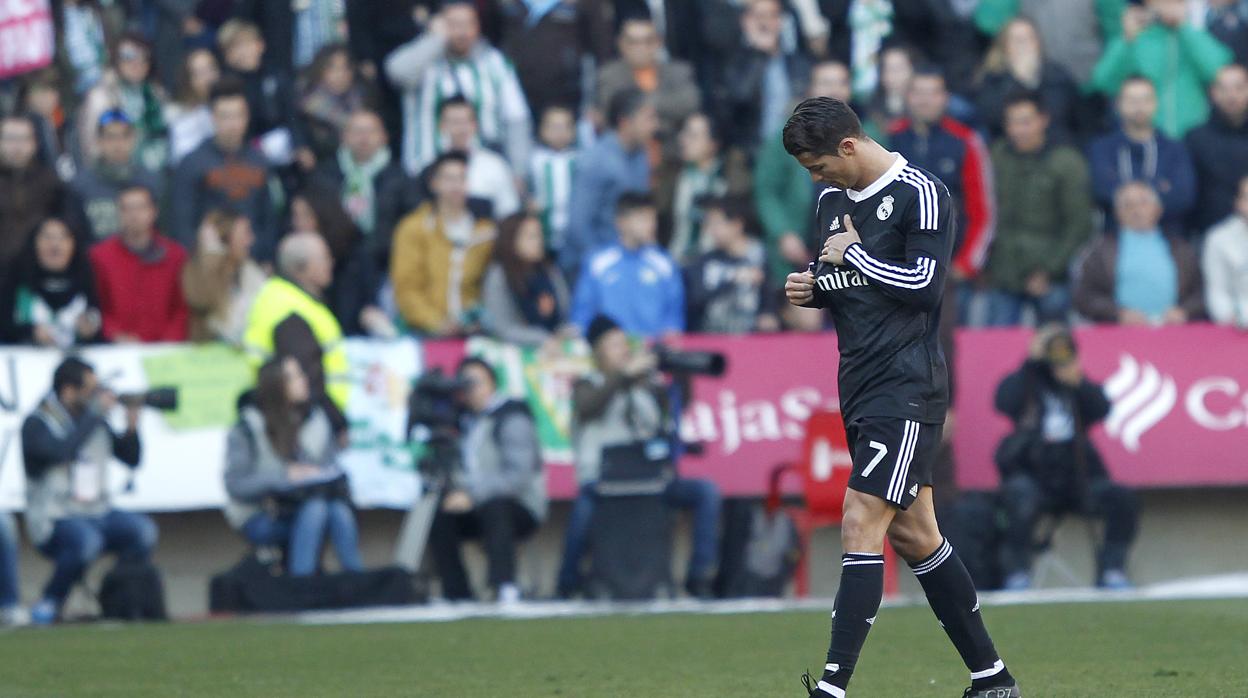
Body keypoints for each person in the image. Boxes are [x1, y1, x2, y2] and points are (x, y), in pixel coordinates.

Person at [782, 97, 1019, 697]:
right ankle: (993, 679)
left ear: (848, 146)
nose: (817, 178)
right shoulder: (831, 201)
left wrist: (854, 256)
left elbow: (924, 285)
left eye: (818, 166)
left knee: (860, 515)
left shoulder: (923, 192)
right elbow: (847, 282)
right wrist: (814, 288)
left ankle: (832, 687)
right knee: (917, 535)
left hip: (907, 384)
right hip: (858, 383)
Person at [556, 315, 721, 599]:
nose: (622, 350)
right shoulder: (587, 384)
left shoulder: (645, 386)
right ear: (597, 351)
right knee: (583, 510)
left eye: (624, 344)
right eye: (613, 345)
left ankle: (699, 576)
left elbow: (679, 404)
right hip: (603, 478)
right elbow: (588, 406)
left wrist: (679, 369)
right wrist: (624, 375)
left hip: (649, 477)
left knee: (706, 491)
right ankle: (567, 582)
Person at [993, 325, 1139, 590]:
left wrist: (1078, 380)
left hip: (1077, 475)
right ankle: (1017, 572)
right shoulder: (1028, 382)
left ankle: (1112, 570)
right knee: (1018, 495)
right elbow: (1003, 402)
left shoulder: (1072, 382)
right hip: (1034, 475)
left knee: (1121, 498)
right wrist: (1030, 361)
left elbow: (1102, 408)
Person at [21, 357, 159, 624]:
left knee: (143, 532)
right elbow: (61, 452)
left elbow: (130, 458)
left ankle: (118, 596)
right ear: (68, 391)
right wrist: (94, 415)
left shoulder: (94, 421)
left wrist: (131, 426)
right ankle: (50, 600)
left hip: (98, 511)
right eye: (90, 390)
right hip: (55, 517)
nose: (97, 396)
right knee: (86, 541)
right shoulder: (39, 423)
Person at [224, 357, 362, 578]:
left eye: (301, 374)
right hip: (263, 513)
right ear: (276, 385)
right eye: (294, 377)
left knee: (337, 510)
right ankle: (302, 583)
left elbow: (328, 465)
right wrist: (284, 477)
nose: (303, 380)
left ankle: (357, 579)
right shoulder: (249, 427)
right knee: (316, 509)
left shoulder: (316, 418)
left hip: (308, 503)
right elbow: (236, 485)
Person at [428, 357, 548, 602]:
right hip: (476, 504)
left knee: (496, 508)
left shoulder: (511, 416)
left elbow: (517, 477)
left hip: (520, 505)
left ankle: (504, 585)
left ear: (492, 383)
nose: (471, 390)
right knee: (440, 515)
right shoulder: (464, 420)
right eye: (465, 384)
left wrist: (472, 496)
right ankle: (456, 592)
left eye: (477, 383)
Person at [385, 0, 532, 175]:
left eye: (468, 24)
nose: (462, 32)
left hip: (482, 175)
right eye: (454, 24)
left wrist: (519, 169)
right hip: (425, 170)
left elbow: (516, 118)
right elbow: (396, 73)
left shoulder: (495, 63)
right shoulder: (423, 61)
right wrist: (436, 39)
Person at [985, 92, 1095, 327]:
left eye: (1026, 122)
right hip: (1003, 272)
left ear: (1043, 120)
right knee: (996, 343)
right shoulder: (996, 156)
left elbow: (1079, 223)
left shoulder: (1067, 162)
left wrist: (1049, 270)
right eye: (1013, 123)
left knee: (1055, 343)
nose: (1019, 130)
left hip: (1051, 275)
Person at [889, 67, 995, 284]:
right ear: (908, 96)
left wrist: (966, 264)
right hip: (897, 266)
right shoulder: (890, 138)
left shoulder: (965, 141)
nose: (925, 101)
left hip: (951, 268)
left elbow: (982, 211)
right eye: (919, 93)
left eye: (933, 93)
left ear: (945, 98)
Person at [755, 61, 852, 286]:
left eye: (841, 83)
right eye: (826, 83)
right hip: (798, 244)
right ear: (810, 89)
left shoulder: (865, 133)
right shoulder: (787, 134)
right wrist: (783, 233)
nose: (834, 90)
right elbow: (766, 189)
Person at [1089, 0, 1232, 139]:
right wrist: (1126, 39)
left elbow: (1220, 71)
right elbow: (1104, 82)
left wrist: (1183, 26)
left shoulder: (1192, 30)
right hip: (1146, 137)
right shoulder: (1136, 36)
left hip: (1192, 137)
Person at [171, 79, 278, 263]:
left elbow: (269, 218)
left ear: (247, 117)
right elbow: (182, 222)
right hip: (209, 262)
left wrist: (266, 258)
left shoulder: (260, 161)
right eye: (225, 116)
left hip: (253, 261)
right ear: (213, 118)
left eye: (238, 115)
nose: (233, 124)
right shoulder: (192, 163)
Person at [391, 152, 497, 337]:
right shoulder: (414, 228)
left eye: (462, 178)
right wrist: (437, 323)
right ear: (434, 184)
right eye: (449, 179)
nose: (456, 186)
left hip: (474, 331)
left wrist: (478, 318)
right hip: (425, 331)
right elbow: (407, 289)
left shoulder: (485, 232)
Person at [243, 232, 350, 411]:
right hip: (303, 419)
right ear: (302, 268)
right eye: (324, 258)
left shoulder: (286, 297)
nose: (331, 263)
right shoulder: (289, 310)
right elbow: (305, 383)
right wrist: (330, 419)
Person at [1073, 182, 1205, 325]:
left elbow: (1200, 293)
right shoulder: (1099, 251)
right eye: (1128, 205)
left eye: (1143, 203)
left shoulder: (1181, 249)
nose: (1136, 210)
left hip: (1174, 329)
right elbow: (1084, 297)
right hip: (1118, 330)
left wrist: (1184, 311)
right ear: (1117, 213)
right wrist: (1118, 314)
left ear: (1158, 209)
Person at [561, 89, 658, 276]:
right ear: (625, 122)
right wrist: (604, 266)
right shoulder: (595, 161)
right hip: (589, 266)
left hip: (629, 262)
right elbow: (578, 224)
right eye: (648, 119)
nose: (655, 126)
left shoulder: (642, 156)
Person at [308, 109, 417, 272]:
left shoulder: (399, 176)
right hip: (335, 262)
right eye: (357, 132)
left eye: (370, 132)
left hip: (386, 261)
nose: (364, 138)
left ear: (384, 137)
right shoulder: (325, 174)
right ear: (344, 137)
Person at [1088, 76, 1196, 232]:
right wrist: (1157, 189)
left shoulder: (1175, 149)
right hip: (1115, 236)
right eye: (1132, 100)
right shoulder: (1101, 148)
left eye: (1146, 100)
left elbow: (1183, 195)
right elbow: (1100, 188)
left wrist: (1130, 197)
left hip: (1167, 235)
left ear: (1156, 103)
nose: (1139, 106)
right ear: (1118, 104)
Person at [571, 192, 684, 340]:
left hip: (652, 350)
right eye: (644, 219)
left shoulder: (664, 263)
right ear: (621, 222)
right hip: (609, 350)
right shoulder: (597, 262)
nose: (652, 225)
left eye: (653, 219)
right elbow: (582, 314)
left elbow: (674, 318)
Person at [89, 184, 190, 343]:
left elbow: (182, 307)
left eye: (140, 208)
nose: (134, 215)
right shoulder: (100, 256)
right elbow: (97, 306)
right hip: (119, 347)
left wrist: (169, 339)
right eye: (127, 209)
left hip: (166, 347)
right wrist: (115, 334)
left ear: (154, 211)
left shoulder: (175, 255)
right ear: (118, 213)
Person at [288, 188, 390, 339]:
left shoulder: (355, 256)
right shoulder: (292, 255)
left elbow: (365, 308)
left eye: (305, 216)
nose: (296, 223)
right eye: (295, 216)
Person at [711, 0, 811, 154]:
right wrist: (759, 55)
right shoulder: (733, 63)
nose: (765, 23)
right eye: (759, 16)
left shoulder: (798, 64)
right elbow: (738, 100)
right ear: (745, 21)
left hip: (795, 150)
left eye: (772, 16)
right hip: (752, 151)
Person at [596, 14, 701, 154]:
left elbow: (690, 104)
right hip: (625, 156)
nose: (641, 47)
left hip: (672, 155)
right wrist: (668, 120)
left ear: (658, 42)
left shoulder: (679, 72)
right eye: (633, 42)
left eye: (648, 41)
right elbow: (612, 114)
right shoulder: (609, 75)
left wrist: (641, 112)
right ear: (621, 44)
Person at [0, 113, 86, 278]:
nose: (17, 146)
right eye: (10, 138)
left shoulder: (50, 183)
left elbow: (68, 225)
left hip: (38, 274)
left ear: (34, 143)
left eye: (23, 139)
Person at [972, 16, 1084, 143]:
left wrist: (1032, 81)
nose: (1024, 45)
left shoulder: (1058, 75)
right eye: (1017, 40)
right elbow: (992, 119)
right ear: (1005, 47)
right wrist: (1018, 81)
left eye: (1029, 38)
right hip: (1010, 148)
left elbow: (1070, 116)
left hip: (1056, 146)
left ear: (1038, 43)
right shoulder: (992, 79)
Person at [657, 112, 750, 263]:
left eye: (693, 136)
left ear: (713, 144)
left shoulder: (729, 178)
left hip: (715, 264)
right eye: (684, 133)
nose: (683, 139)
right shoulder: (674, 175)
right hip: (676, 259)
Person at [499, 0, 613, 122]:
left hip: (568, 95)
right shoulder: (511, 6)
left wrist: (597, 103)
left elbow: (602, 50)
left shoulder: (583, 6)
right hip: (516, 94)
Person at [216, 19, 305, 170]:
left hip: (285, 148)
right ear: (227, 55)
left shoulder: (276, 75)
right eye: (236, 47)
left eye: (247, 44)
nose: (244, 52)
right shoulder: (225, 86)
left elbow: (292, 114)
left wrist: (300, 145)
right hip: (244, 154)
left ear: (260, 45)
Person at [0, 218, 101, 347]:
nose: (55, 245)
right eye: (47, 237)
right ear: (34, 243)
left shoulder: (86, 279)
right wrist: (30, 332)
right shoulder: (15, 280)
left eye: (62, 238)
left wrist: (89, 327)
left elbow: (98, 319)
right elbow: (4, 326)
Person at [973, 0, 1125, 86]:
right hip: (1035, 86)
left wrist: (1100, 77)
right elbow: (989, 22)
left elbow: (1118, 30)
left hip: (1089, 86)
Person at [77, 32, 170, 172]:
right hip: (114, 174)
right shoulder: (101, 97)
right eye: (128, 57)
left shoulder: (156, 92)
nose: (137, 64)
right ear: (116, 60)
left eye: (143, 57)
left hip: (158, 170)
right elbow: (91, 148)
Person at [684, 195, 778, 334]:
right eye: (709, 224)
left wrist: (768, 314)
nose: (711, 230)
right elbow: (695, 299)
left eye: (717, 223)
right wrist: (732, 279)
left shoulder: (760, 256)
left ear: (737, 225)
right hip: (711, 336)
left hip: (751, 336)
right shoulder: (705, 260)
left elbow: (771, 293)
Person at [481, 213, 575, 349]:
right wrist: (542, 339)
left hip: (553, 346)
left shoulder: (550, 270)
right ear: (511, 239)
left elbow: (564, 312)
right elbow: (502, 328)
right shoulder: (498, 275)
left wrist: (564, 331)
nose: (539, 241)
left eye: (540, 235)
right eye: (531, 237)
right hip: (513, 349)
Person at [72, 109, 164, 241]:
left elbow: (161, 233)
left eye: (124, 136)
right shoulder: (80, 185)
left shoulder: (151, 181)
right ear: (98, 141)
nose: (118, 144)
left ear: (133, 139)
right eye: (110, 137)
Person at [181, 210, 267, 344]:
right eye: (245, 234)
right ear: (225, 240)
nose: (251, 240)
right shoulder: (196, 273)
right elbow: (203, 302)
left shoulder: (251, 273)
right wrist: (212, 255)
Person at [435, 95, 521, 219]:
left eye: (465, 122)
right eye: (455, 122)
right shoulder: (432, 167)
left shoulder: (495, 166)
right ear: (442, 126)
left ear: (475, 125)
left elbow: (509, 213)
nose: (461, 129)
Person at [1186, 64, 1248, 233]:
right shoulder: (1195, 139)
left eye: (1239, 88)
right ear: (1213, 92)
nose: (1232, 95)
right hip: (1207, 233)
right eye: (1224, 89)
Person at [299, 44, 374, 165]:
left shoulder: (362, 98)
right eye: (333, 69)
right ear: (320, 71)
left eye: (345, 68)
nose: (341, 75)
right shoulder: (309, 105)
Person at [527, 105, 579, 251]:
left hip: (571, 224)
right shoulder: (535, 159)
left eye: (565, 127)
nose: (560, 133)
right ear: (542, 130)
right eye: (554, 127)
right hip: (544, 223)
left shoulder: (579, 159)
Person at [1203, 175, 1248, 329]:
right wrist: (1232, 317)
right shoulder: (1219, 238)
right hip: (1236, 326)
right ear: (1238, 202)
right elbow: (1217, 292)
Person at [166, 48, 221, 165]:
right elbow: (183, 158)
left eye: (211, 69)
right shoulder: (178, 114)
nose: (208, 78)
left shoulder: (228, 103)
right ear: (188, 80)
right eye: (200, 73)